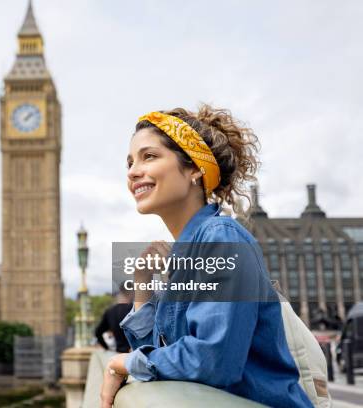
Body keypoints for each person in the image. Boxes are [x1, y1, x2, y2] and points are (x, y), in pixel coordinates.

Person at [99, 105, 312, 407]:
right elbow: (154, 354)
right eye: (130, 162)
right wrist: (142, 283)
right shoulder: (188, 255)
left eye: (149, 156)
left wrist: (121, 363)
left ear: (195, 169)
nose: (133, 171)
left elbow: (212, 361)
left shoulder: (220, 238)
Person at [95, 283, 134, 353]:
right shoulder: (135, 309)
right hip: (134, 354)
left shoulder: (110, 312)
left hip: (118, 355)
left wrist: (107, 348)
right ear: (131, 293)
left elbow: (97, 332)